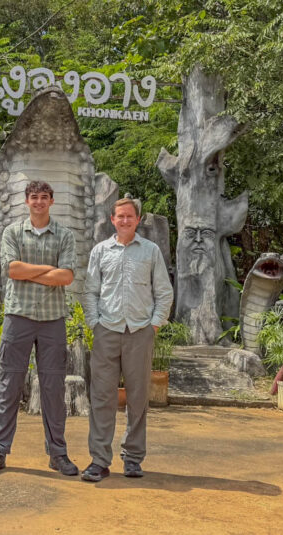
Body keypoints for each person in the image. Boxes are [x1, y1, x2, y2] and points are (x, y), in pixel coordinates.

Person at [0, 180, 79, 477]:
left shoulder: (64, 235)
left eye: (44, 197)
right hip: (18, 317)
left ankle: (58, 453)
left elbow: (66, 277)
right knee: (9, 386)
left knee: (52, 388)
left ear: (52, 201)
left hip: (52, 320)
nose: (38, 202)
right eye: (34, 197)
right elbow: (12, 270)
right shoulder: (13, 232)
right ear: (27, 201)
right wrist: (48, 271)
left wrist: (30, 271)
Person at [79, 197, 174, 481]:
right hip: (106, 331)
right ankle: (99, 460)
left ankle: (132, 458)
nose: (124, 221)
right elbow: (90, 291)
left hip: (139, 333)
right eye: (120, 216)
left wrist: (154, 325)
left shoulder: (150, 251)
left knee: (138, 397)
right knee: (102, 397)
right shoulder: (100, 251)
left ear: (137, 219)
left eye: (129, 216)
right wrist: (94, 324)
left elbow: (164, 292)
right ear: (112, 219)